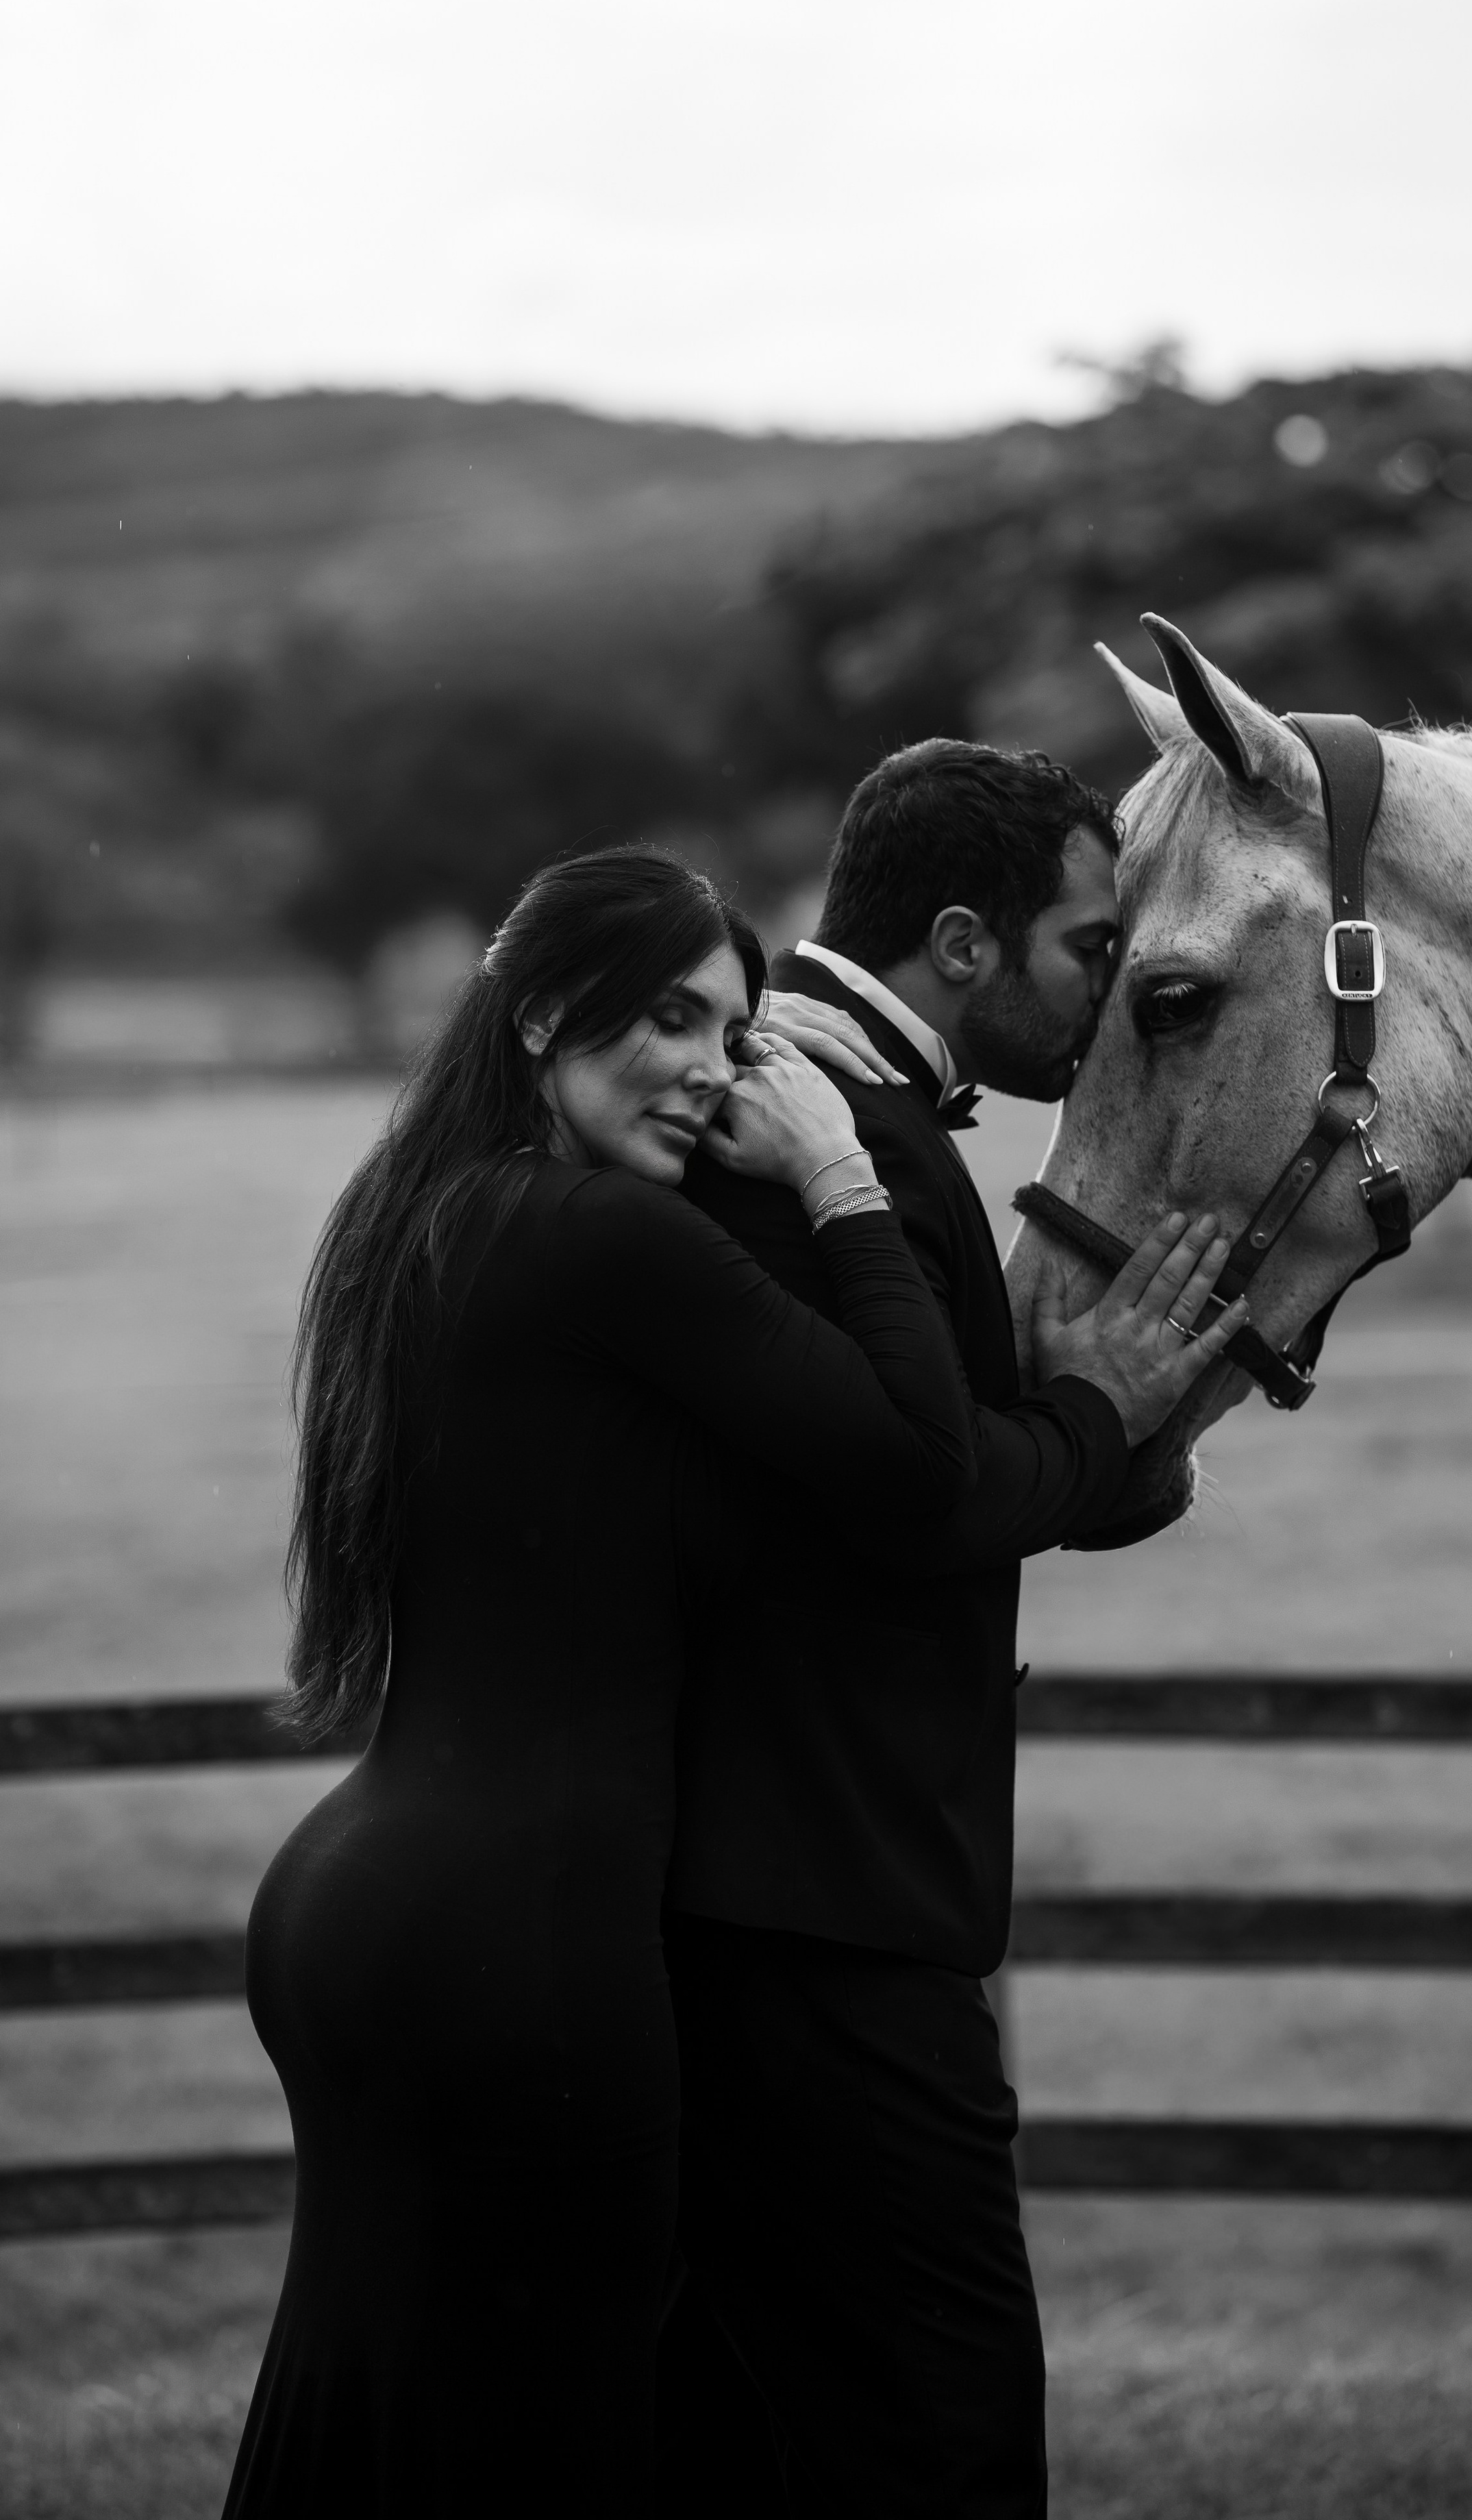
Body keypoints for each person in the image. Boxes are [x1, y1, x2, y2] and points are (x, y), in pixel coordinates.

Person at [222, 843, 1240, 2518]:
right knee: (555, 2453)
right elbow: (914, 1466)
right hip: (521, 1938)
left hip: (361, 1898)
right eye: (669, 1021)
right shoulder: (603, 1237)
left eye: (730, 1030)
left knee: (374, 2429)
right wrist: (843, 1182)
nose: (709, 1071)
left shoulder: (434, 1212)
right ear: (542, 1014)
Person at [659, 741, 1230, 2517]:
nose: (1107, 996)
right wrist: (1102, 1412)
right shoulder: (814, 1128)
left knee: (781, 2414)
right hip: (819, 1889)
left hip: (788, 1879)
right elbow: (918, 1494)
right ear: (966, 943)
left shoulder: (838, 1102)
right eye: (1088, 949)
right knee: (943, 2411)